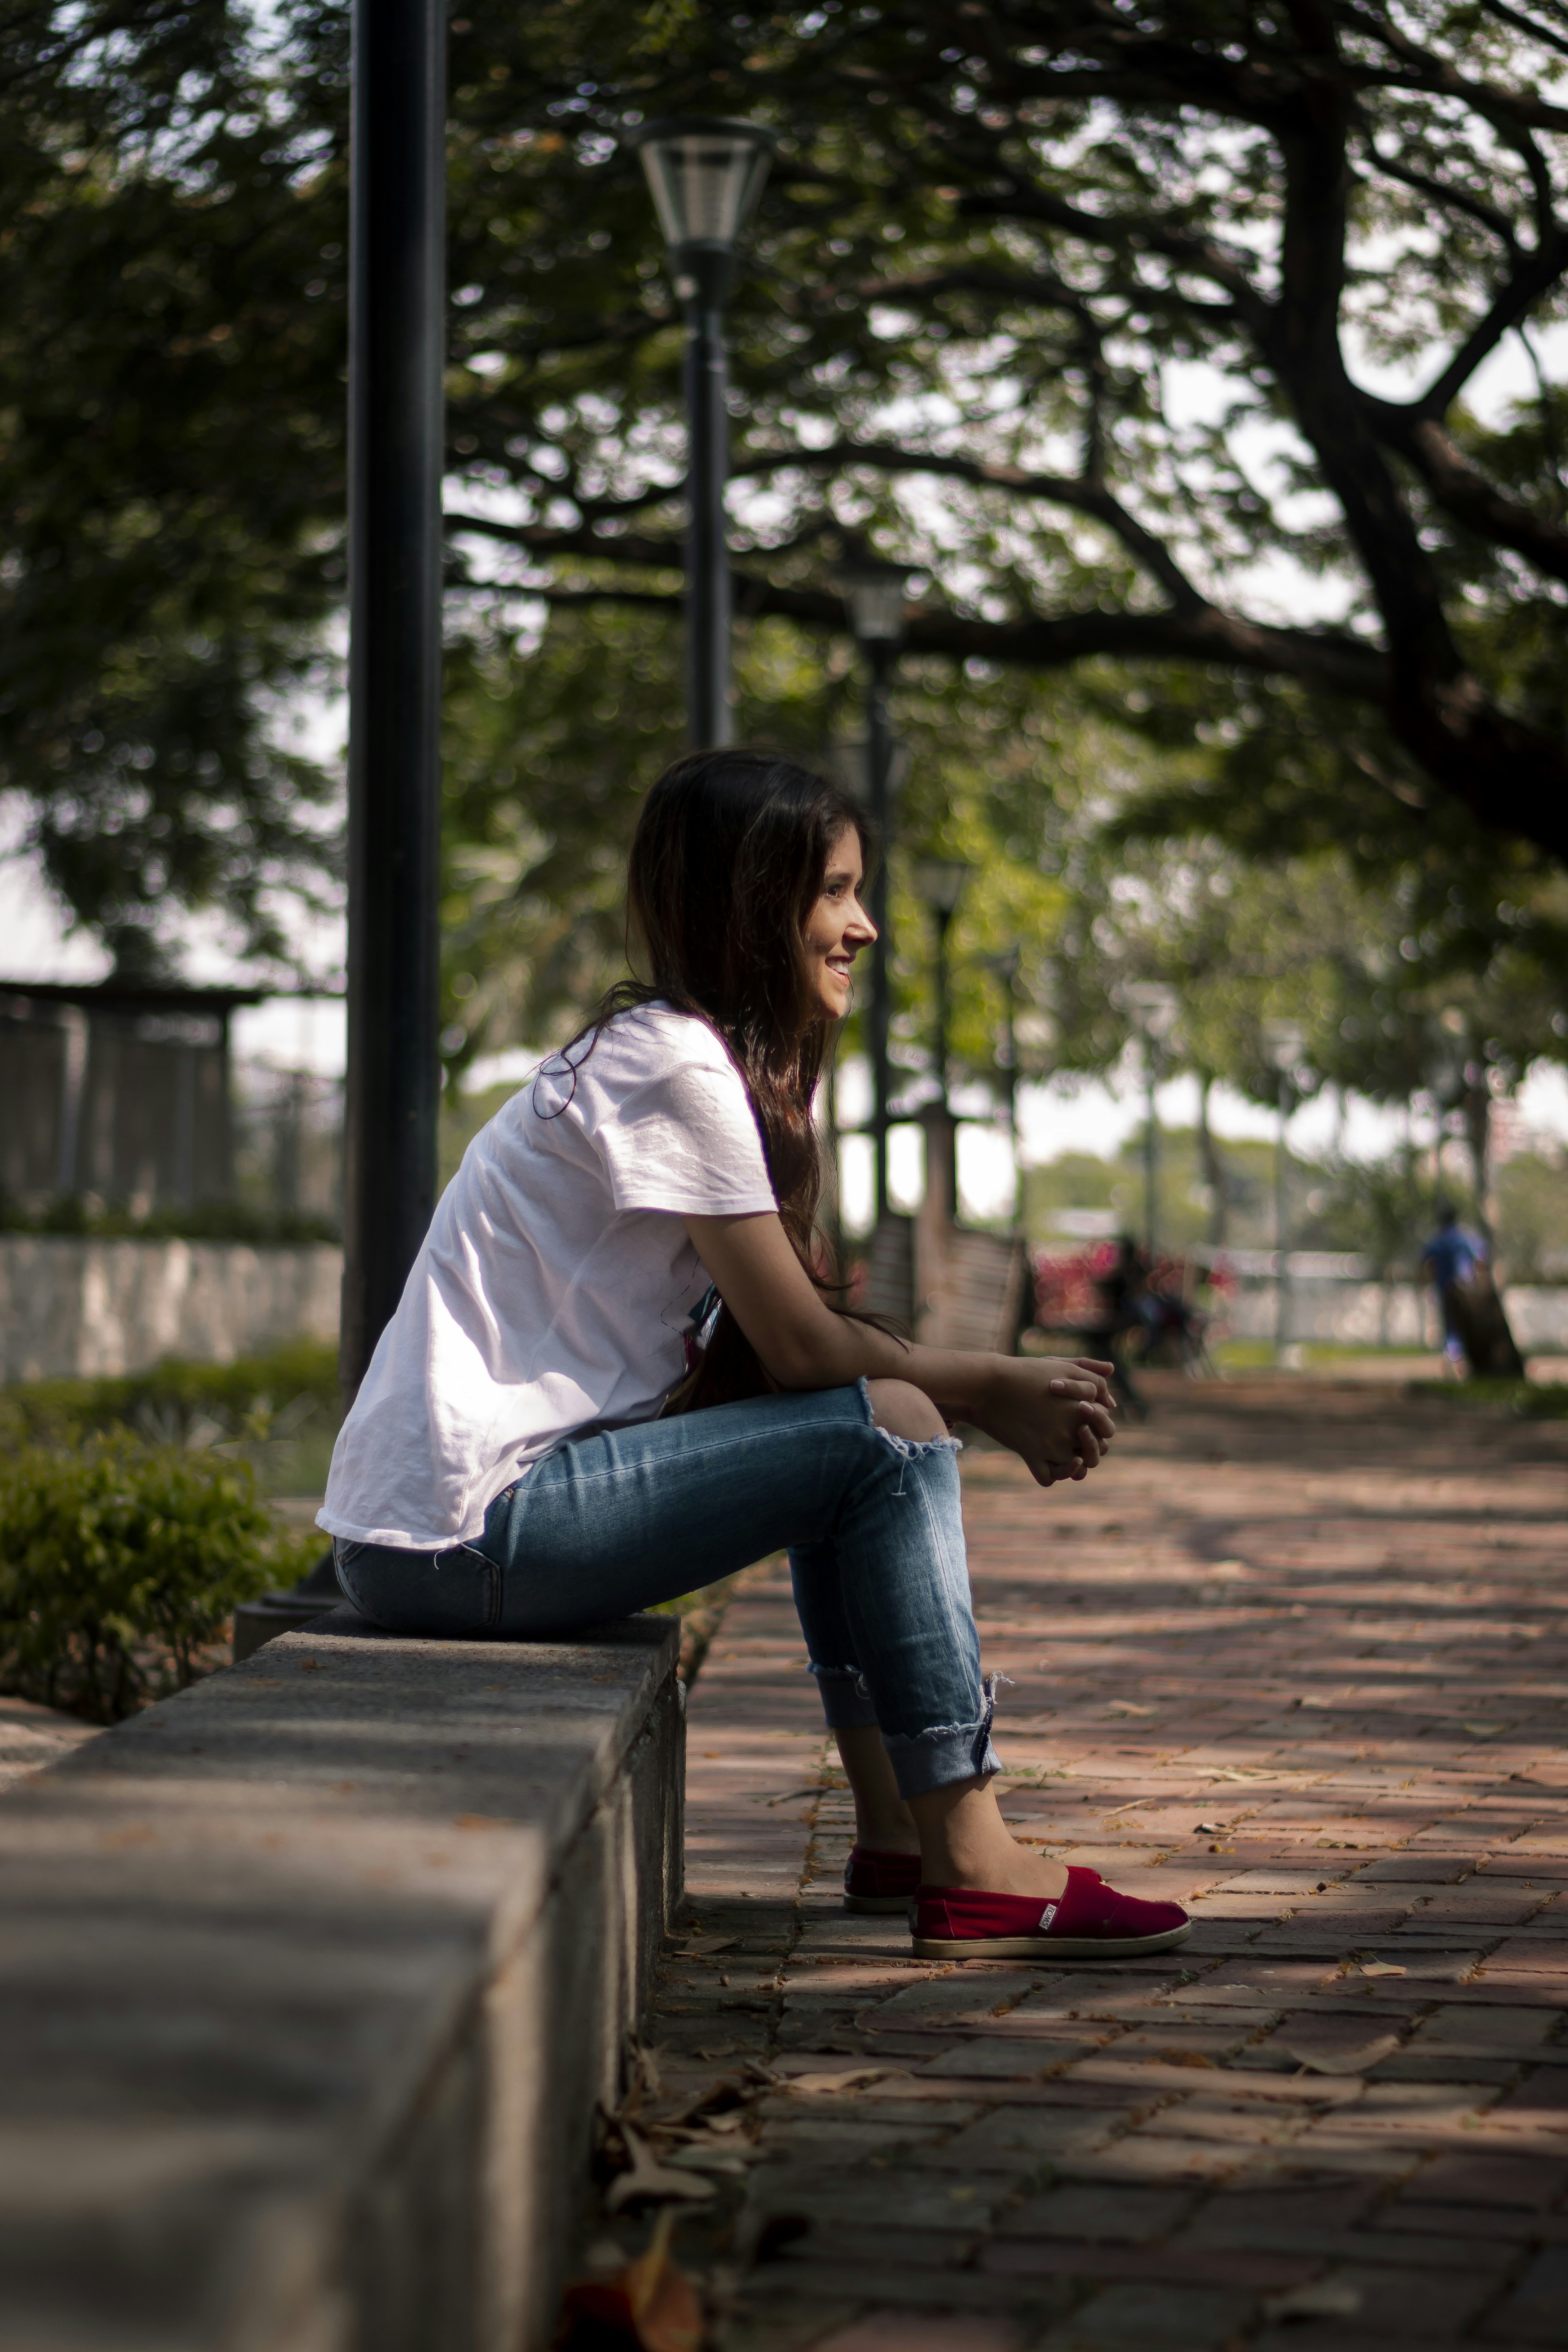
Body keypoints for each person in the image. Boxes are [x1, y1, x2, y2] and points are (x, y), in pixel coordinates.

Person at [319, 750, 1189, 1964]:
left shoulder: (682, 1060)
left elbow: (791, 1355)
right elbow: (798, 1341)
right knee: (889, 1432)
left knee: (864, 1425)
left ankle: (900, 1830)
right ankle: (976, 1855)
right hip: (467, 1533)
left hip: (443, 1533)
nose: (863, 925)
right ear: (753, 899)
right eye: (834, 891)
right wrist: (987, 1386)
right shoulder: (669, 1061)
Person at [1421, 1202, 1483, 1369]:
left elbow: (1426, 1261)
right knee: (1465, 1322)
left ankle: (1452, 1355)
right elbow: (1480, 1259)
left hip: (1446, 1287)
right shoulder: (1465, 1237)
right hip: (1465, 1288)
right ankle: (1460, 1356)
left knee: (1450, 1322)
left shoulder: (1438, 1239)